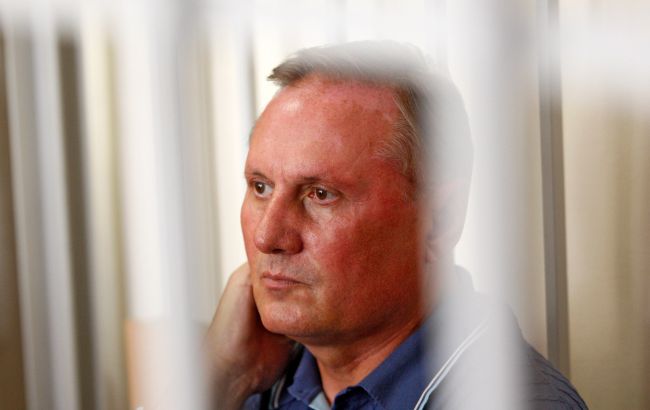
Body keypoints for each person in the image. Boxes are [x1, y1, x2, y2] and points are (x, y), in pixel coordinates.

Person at [204, 41, 587, 410]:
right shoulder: (250, 381)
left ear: (438, 221)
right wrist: (222, 380)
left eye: (320, 194)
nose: (267, 236)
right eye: (261, 187)